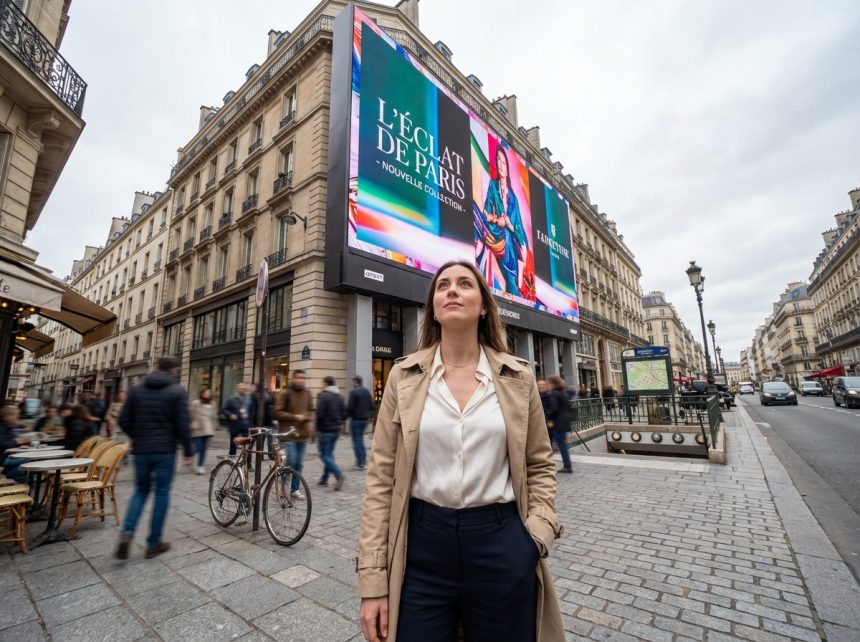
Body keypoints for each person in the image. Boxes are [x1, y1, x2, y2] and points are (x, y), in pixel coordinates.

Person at [358, 260, 564, 642]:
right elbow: (380, 481)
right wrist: (372, 581)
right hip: (422, 546)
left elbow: (539, 464)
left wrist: (535, 537)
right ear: (433, 307)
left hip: (501, 541)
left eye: (465, 284)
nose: (452, 290)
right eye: (443, 286)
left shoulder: (518, 378)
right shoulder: (403, 377)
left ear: (484, 305)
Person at [115, 356, 192, 560]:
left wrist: (138, 435)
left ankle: (127, 533)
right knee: (161, 494)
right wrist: (188, 450)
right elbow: (183, 424)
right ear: (173, 370)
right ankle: (153, 543)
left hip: (140, 450)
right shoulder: (177, 391)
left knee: (140, 491)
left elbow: (123, 420)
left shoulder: (137, 390)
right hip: (165, 450)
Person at [475, 145, 530, 298]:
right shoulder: (493, 186)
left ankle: (514, 287)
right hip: (495, 233)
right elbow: (485, 213)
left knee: (512, 284)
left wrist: (509, 224)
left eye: (503, 161)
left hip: (509, 244)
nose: (500, 164)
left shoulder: (513, 198)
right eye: (497, 160)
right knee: (474, 212)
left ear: (507, 167)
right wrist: (497, 219)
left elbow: (518, 230)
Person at [275, 369, 313, 499]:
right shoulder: (285, 393)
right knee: (291, 459)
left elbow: (311, 410)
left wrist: (307, 417)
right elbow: (277, 412)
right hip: (288, 434)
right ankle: (284, 487)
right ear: (293, 379)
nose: (301, 380)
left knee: (299, 463)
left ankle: (295, 489)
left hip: (302, 434)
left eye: (303, 378)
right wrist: (294, 416)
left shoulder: (307, 393)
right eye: (298, 378)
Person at [316, 375, 346, 490]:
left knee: (324, 455)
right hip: (336, 430)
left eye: (322, 383)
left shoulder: (324, 396)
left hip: (326, 430)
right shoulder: (339, 396)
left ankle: (339, 475)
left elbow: (320, 415)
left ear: (325, 384)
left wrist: (318, 430)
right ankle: (324, 478)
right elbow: (344, 414)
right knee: (329, 454)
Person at [346, 375, 373, 470]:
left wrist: (346, 416)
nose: (352, 384)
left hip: (356, 420)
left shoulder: (353, 392)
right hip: (364, 420)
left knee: (357, 442)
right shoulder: (366, 392)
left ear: (355, 382)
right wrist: (369, 415)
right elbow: (371, 405)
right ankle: (362, 461)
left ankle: (360, 463)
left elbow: (350, 407)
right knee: (360, 440)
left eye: (353, 382)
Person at [547, 375, 572, 474]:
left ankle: (567, 466)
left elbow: (554, 408)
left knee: (562, 445)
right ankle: (567, 465)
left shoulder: (554, 393)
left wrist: (549, 419)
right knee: (563, 444)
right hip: (565, 421)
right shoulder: (564, 392)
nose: (547, 385)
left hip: (558, 422)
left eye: (549, 383)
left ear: (553, 383)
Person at [221, 383, 252, 458]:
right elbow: (224, 410)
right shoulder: (231, 399)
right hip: (235, 424)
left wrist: (250, 417)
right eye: (240, 387)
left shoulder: (248, 400)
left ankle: (248, 464)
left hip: (245, 424)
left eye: (243, 388)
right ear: (237, 389)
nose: (241, 389)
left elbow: (252, 411)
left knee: (247, 445)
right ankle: (231, 460)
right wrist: (230, 415)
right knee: (233, 444)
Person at [189, 388, 215, 475]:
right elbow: (190, 413)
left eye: (209, 392)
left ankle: (200, 466)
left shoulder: (212, 403)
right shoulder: (196, 402)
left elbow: (213, 416)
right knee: (198, 447)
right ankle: (189, 455)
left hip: (207, 429)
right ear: (202, 393)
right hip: (198, 428)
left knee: (204, 449)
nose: (207, 394)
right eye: (206, 392)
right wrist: (194, 422)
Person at [0, 404, 29, 481]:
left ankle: (11, 475)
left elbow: (15, 437)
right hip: (2, 457)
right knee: (28, 462)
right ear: (7, 416)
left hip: (10, 455)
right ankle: (9, 478)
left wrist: (21, 439)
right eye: (16, 415)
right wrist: (16, 441)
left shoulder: (12, 425)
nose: (17, 417)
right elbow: (2, 443)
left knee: (28, 460)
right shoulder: (1, 427)